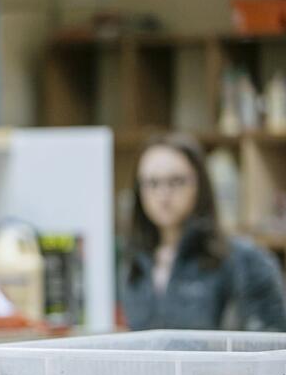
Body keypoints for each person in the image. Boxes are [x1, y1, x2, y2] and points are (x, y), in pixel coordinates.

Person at [121, 132, 286, 331]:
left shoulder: (244, 260)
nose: (163, 195)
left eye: (176, 181)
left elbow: (272, 341)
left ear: (200, 184)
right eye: (152, 183)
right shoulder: (134, 265)